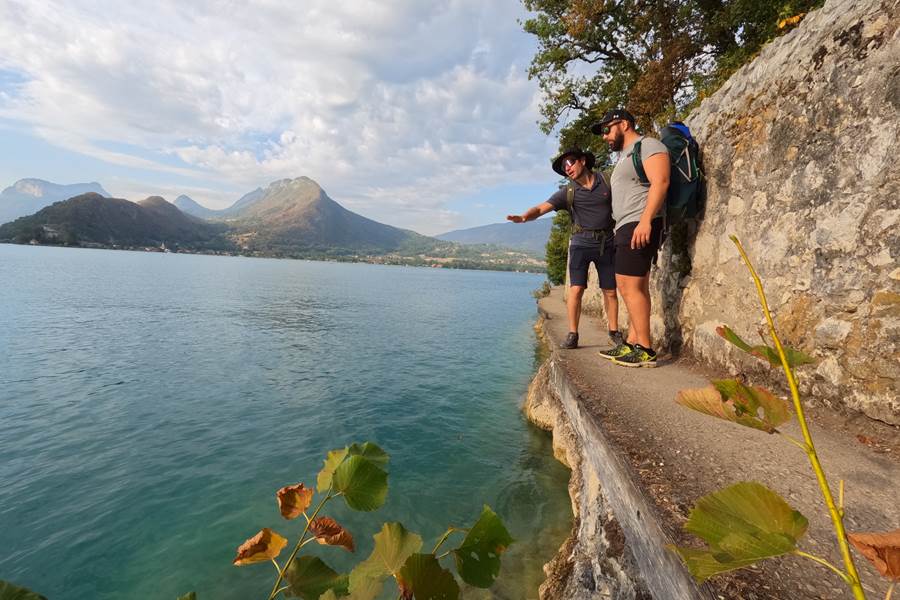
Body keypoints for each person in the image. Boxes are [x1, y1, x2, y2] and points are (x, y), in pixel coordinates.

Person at [507, 148, 621, 350]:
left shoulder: (607, 181)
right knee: (576, 290)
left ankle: (614, 332)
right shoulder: (568, 192)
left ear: (582, 161)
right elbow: (542, 208)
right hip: (580, 244)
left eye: (570, 163)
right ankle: (573, 334)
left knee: (610, 291)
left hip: (606, 242)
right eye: (563, 168)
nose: (567, 169)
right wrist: (525, 217)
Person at [591, 108, 669, 367]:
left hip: (639, 223)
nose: (605, 136)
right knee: (634, 286)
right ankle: (633, 343)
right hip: (627, 225)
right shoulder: (625, 156)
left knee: (628, 287)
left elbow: (661, 181)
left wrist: (646, 220)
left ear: (623, 124)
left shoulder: (648, 145)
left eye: (606, 129)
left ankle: (645, 349)